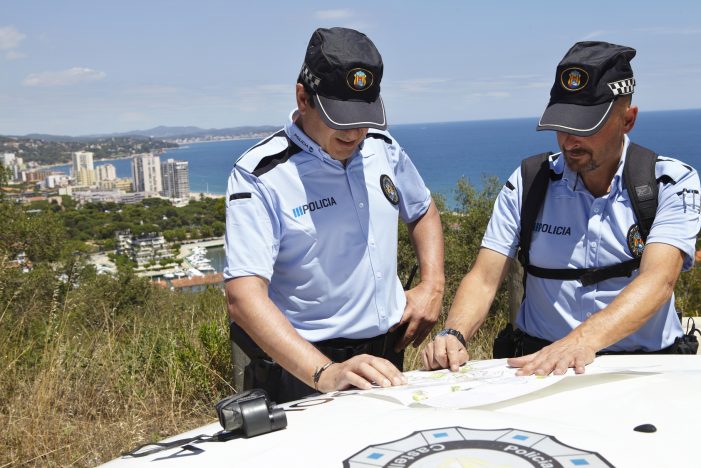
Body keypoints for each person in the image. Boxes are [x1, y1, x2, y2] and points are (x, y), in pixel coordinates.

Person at [423, 41, 701, 377]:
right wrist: (454, 332)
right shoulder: (529, 182)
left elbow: (658, 280)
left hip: (639, 370)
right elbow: (484, 278)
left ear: (628, 120)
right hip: (541, 367)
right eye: (563, 125)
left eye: (587, 126)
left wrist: (580, 341)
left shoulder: (670, 181)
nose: (570, 140)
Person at [224, 27, 444, 403]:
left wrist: (433, 285)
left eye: (364, 116)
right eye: (340, 117)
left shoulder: (383, 148)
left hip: (389, 356)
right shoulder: (259, 174)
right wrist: (325, 372)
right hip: (306, 369)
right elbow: (243, 297)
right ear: (303, 98)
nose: (355, 132)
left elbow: (423, 210)